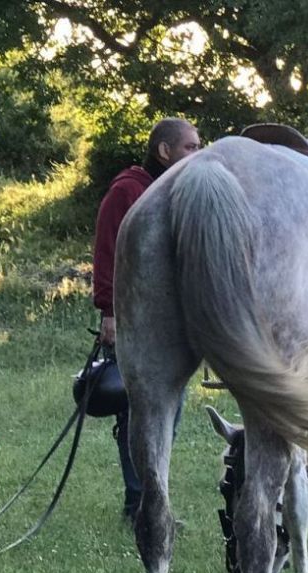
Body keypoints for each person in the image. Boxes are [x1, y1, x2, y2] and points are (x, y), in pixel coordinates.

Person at [93, 117, 201, 520]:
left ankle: (153, 497)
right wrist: (109, 310)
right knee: (137, 410)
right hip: (134, 320)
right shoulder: (129, 190)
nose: (197, 154)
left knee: (169, 411)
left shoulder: (174, 192)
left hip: (169, 323)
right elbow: (107, 251)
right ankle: (139, 501)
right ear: (164, 151)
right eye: (190, 147)